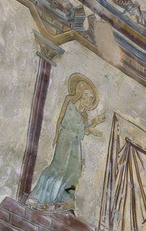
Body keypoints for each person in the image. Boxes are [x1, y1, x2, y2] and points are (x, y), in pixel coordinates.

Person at [29, 73, 104, 211]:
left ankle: (64, 201)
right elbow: (69, 123)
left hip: (75, 144)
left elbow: (82, 128)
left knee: (74, 171)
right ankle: (37, 197)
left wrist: (93, 124)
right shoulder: (70, 106)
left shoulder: (82, 114)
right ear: (81, 95)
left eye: (91, 98)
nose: (89, 100)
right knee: (58, 167)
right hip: (66, 139)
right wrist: (90, 126)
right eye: (88, 97)